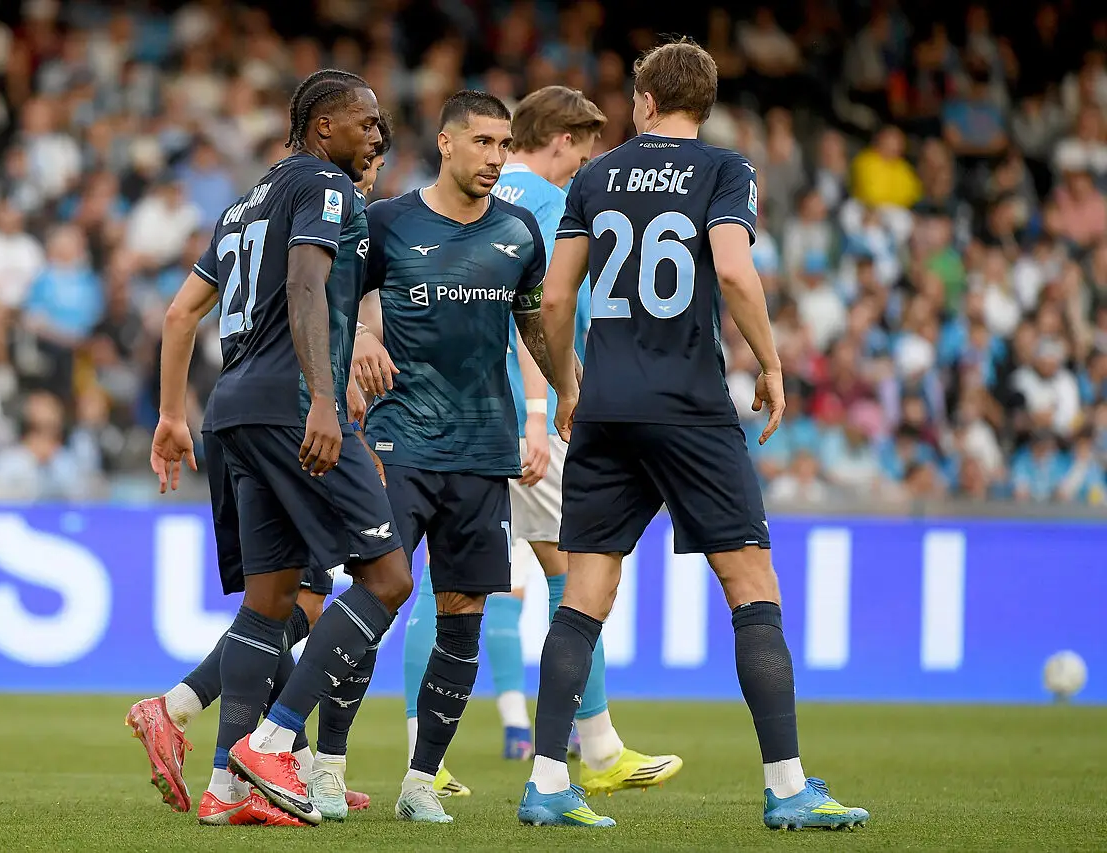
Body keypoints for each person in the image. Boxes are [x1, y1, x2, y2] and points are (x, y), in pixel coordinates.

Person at [516, 39, 871, 831]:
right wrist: (773, 365)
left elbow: (554, 298)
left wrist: (571, 388)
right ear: (702, 106)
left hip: (606, 407)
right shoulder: (724, 169)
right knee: (751, 586)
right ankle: (786, 787)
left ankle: (545, 780)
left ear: (643, 100)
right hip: (689, 405)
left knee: (582, 594)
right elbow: (736, 272)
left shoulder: (597, 173)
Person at [150, 68, 413, 829]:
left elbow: (179, 313)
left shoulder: (239, 208)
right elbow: (306, 285)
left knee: (267, 603)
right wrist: (326, 399)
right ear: (321, 127)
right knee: (387, 576)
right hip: (295, 408)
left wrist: (172, 413)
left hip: (232, 411)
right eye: (363, 121)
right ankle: (270, 742)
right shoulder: (326, 190)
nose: (376, 132)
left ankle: (226, 791)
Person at [344, 90, 556, 824]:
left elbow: (534, 330)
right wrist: (362, 337)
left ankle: (420, 780)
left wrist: (566, 404)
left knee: (463, 612)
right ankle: (325, 762)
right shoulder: (390, 221)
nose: (498, 157)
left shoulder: (520, 231)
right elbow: (337, 299)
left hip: (482, 449)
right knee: (379, 595)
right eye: (485, 142)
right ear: (446, 143)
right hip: (400, 443)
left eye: (505, 144)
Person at [468, 84, 683, 794]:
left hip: (461, 406)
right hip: (535, 411)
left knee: (442, 578)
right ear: (562, 139)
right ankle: (594, 749)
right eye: (582, 153)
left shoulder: (479, 196)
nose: (582, 168)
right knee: (574, 571)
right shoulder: (556, 204)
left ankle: (420, 760)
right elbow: (548, 313)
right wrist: (553, 398)